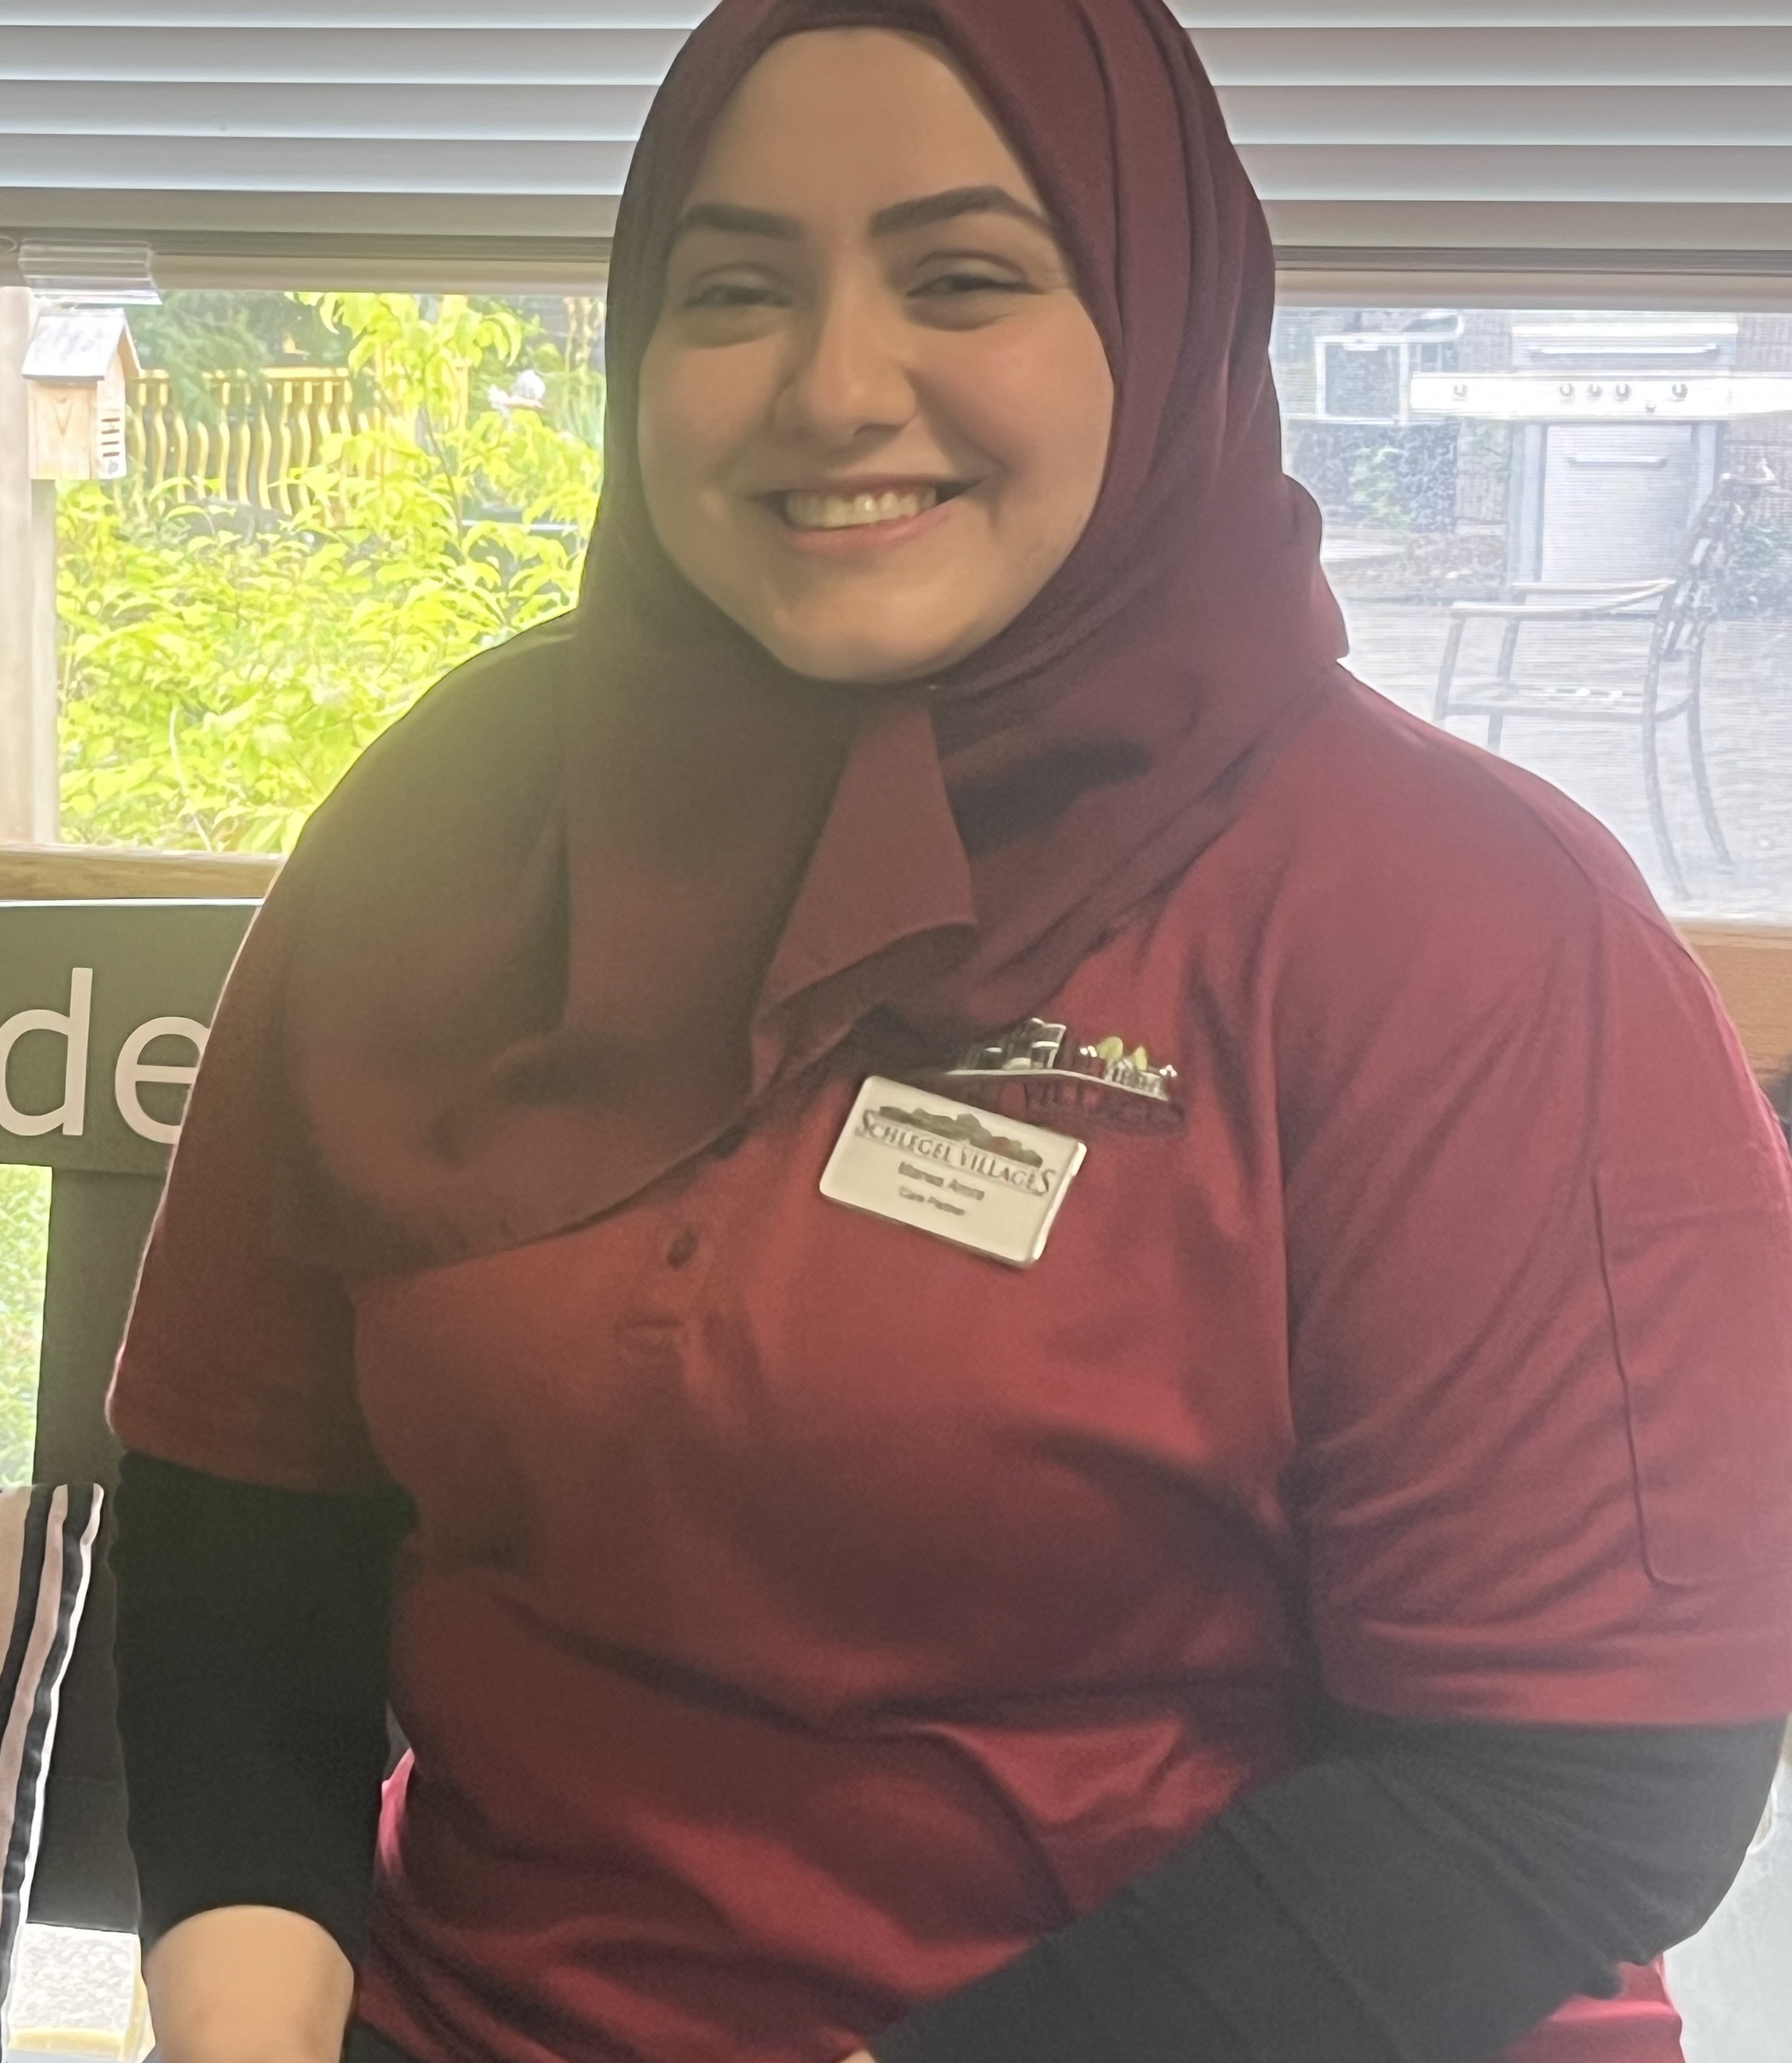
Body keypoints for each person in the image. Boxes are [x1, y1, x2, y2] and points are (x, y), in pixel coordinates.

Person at [103, 3, 1792, 2060]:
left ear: (1159, 318)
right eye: (733, 291)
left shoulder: (1461, 929)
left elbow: (1577, 1781)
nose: (831, 386)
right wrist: (245, 2022)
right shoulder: (451, 825)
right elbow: (243, 1514)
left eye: (964, 277)